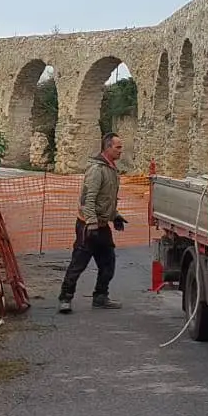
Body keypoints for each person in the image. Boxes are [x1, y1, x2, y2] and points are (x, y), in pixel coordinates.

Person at [59, 132, 127, 313]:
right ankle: (65, 298)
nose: (121, 151)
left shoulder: (111, 169)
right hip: (88, 226)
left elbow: (106, 199)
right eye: (118, 147)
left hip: (102, 225)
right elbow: (87, 199)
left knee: (108, 264)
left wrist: (115, 216)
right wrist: (91, 223)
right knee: (78, 264)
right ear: (107, 148)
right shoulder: (97, 170)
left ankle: (100, 297)